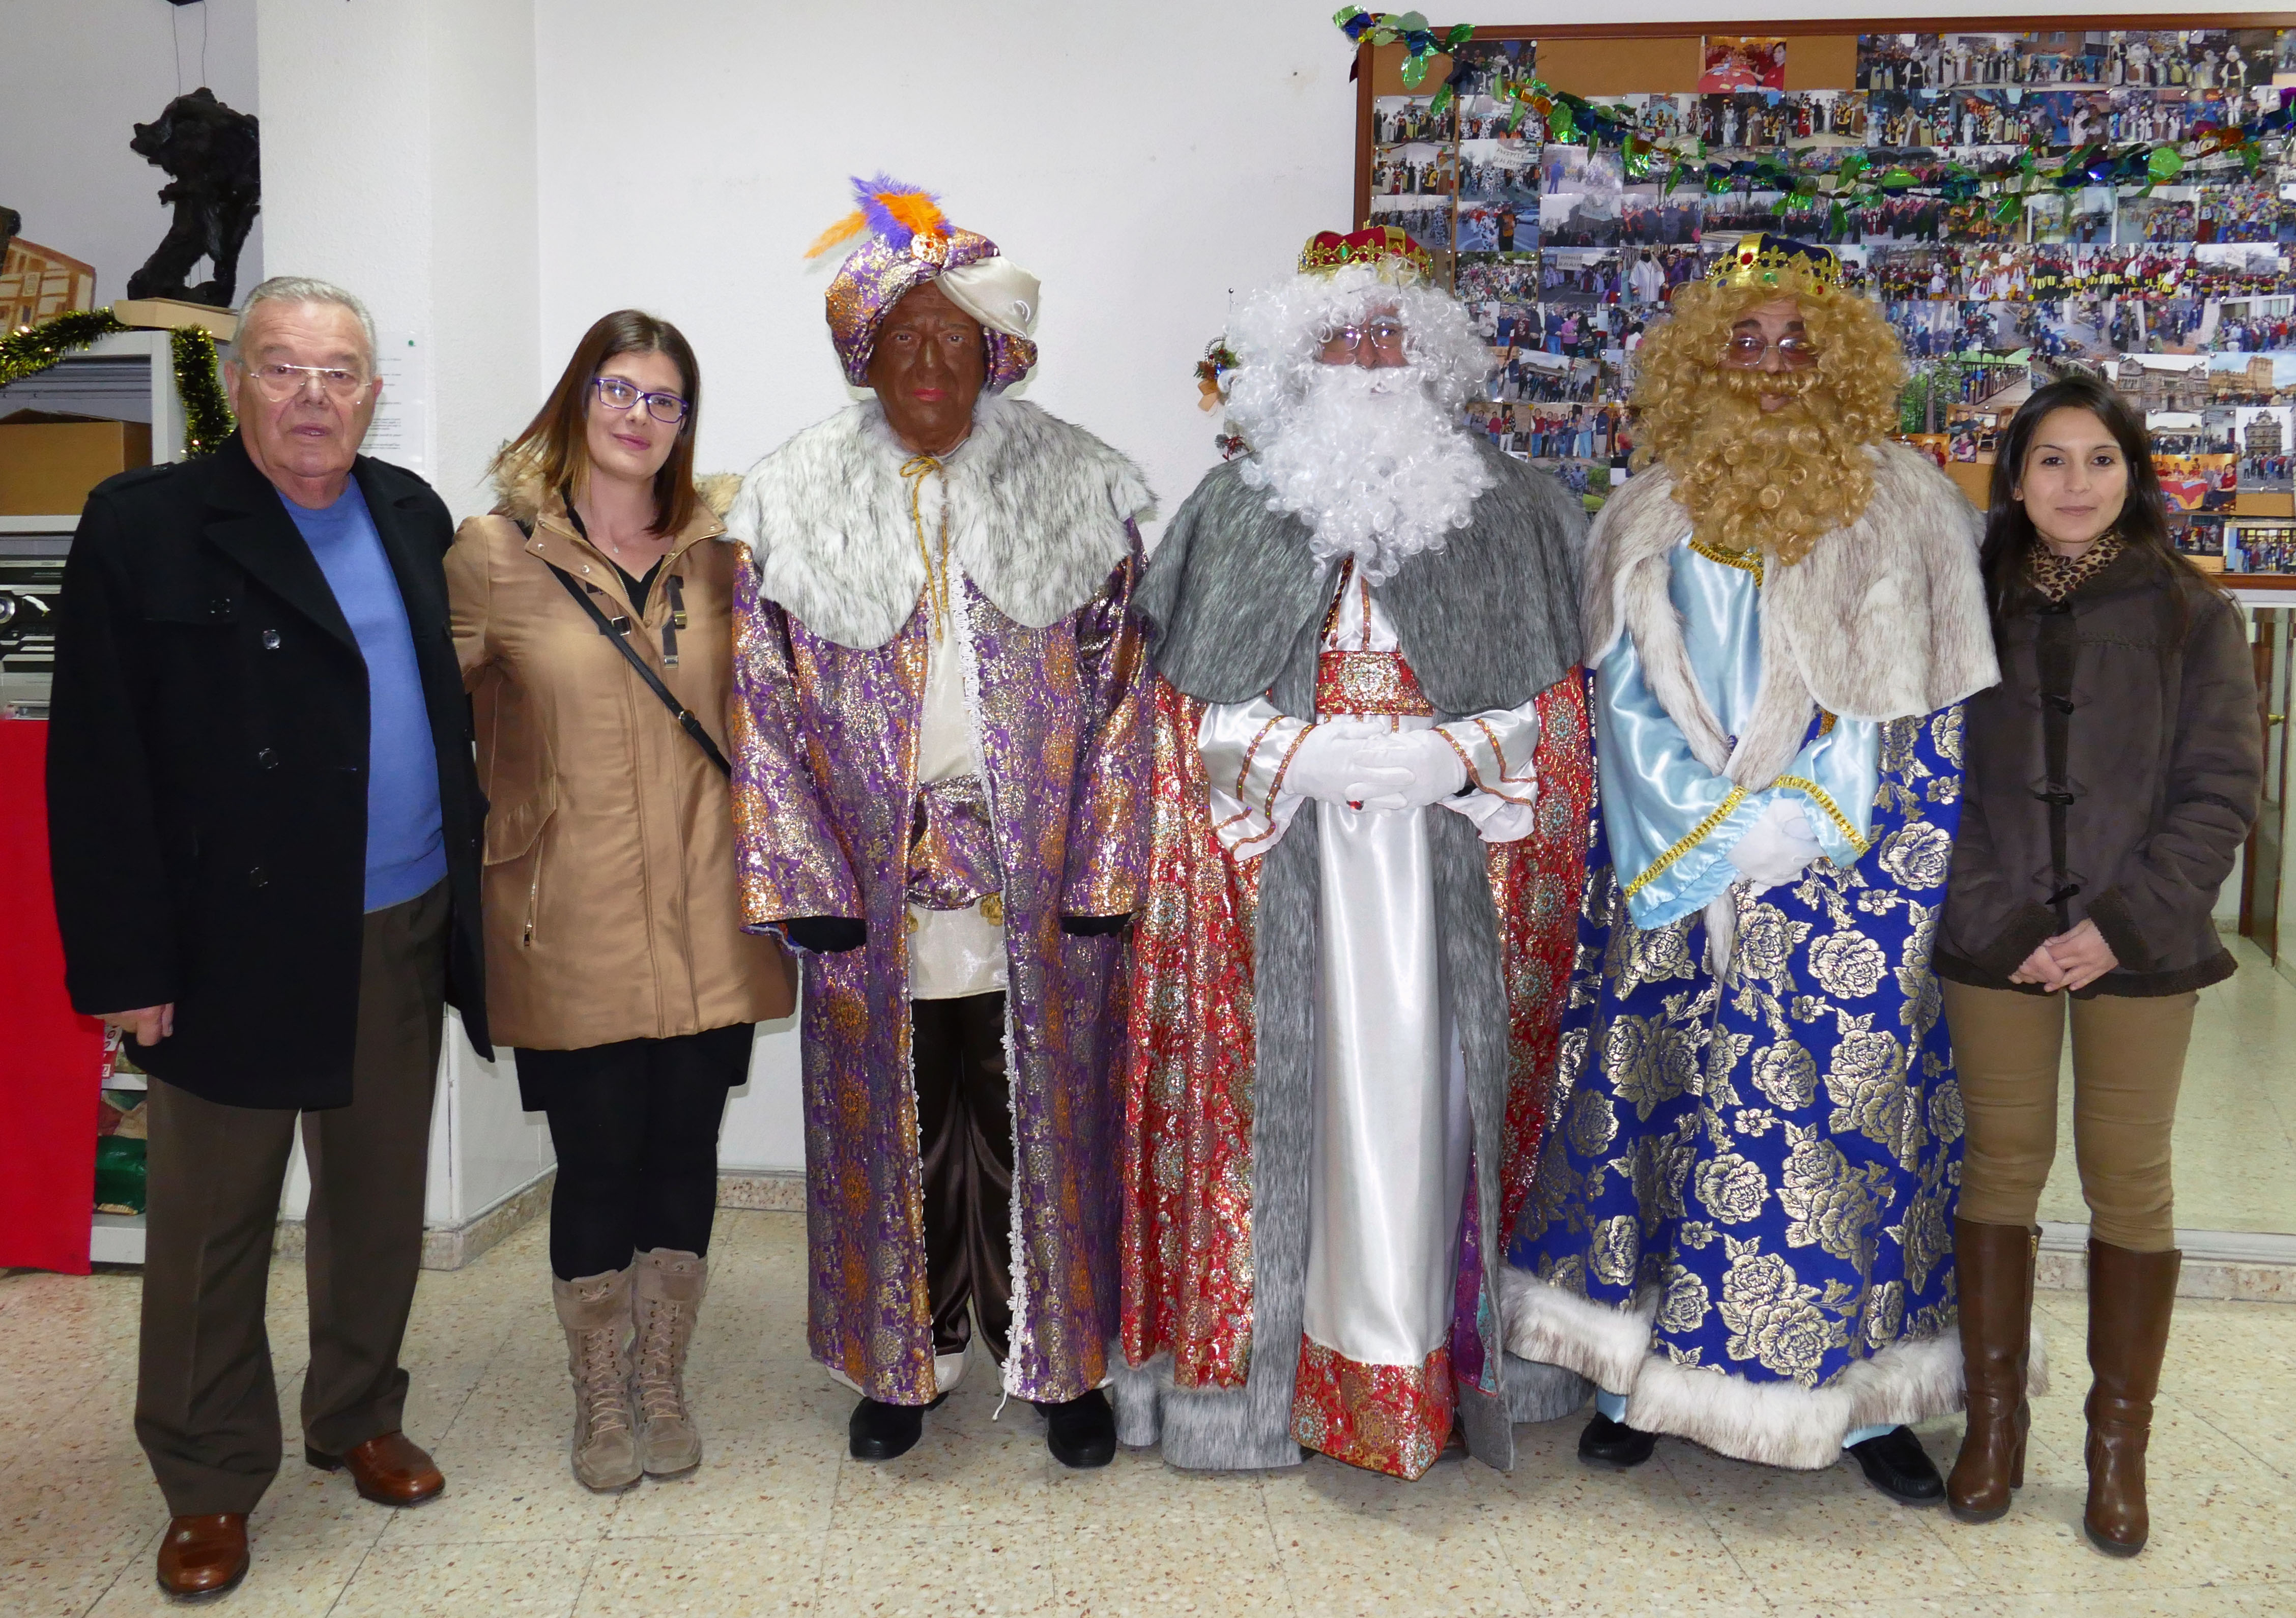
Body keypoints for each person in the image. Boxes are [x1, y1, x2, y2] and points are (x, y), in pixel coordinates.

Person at [1503, 236, 2002, 1504]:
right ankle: (1639, 1383)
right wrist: (1711, 847)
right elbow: (1616, 706)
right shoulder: (1644, 506)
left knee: (1844, 1133)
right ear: (1697, 359)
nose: (1774, 365)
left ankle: (1863, 1402)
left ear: (1840, 364)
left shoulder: (1911, 508)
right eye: (1747, 339)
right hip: (1673, 881)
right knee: (1661, 1118)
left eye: (1799, 343)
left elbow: (1928, 727)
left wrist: (1831, 850)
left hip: (1849, 890)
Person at [1112, 226, 1593, 1479]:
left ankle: (1431, 1369)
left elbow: (1567, 714)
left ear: (1432, 359)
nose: (1369, 359)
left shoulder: (1522, 507)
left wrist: (1463, 755)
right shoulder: (1230, 509)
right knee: (1289, 1112)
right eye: (1342, 337)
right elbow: (1164, 712)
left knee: (1435, 1108)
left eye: (1393, 335)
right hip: (1279, 864)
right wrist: (1287, 756)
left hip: (1449, 877)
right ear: (1295, 362)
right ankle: (1274, 1385)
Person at [46, 277, 490, 1598]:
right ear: (238, 382)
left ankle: (355, 1410)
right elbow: (99, 766)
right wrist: (128, 967)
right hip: (225, 935)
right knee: (208, 1227)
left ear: (371, 391)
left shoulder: (411, 510)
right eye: (285, 369)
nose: (313, 398)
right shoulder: (146, 524)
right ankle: (205, 1475)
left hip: (397, 916)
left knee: (373, 1202)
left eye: (339, 372)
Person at [726, 179, 1152, 1468]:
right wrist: (796, 868)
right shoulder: (793, 493)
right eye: (903, 339)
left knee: (1034, 1107)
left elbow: (1126, 685)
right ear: (866, 356)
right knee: (895, 1111)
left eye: (953, 340)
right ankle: (901, 1361)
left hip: (1040, 870)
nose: (928, 362)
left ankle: (1060, 1357)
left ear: (995, 355)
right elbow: (760, 695)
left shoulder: (1075, 484)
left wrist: (1108, 860)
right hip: (869, 872)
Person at [446, 310, 794, 1492]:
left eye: (666, 399)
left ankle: (661, 1377)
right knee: (596, 1162)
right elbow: (431, 723)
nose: (640, 417)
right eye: (619, 390)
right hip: (567, 916)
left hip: (709, 911)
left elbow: (784, 726)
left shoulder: (724, 564)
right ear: (576, 400)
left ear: (687, 424)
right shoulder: (495, 555)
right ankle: (599, 1397)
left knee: (682, 1153)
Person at [1937, 376, 2260, 1554]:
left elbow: (2222, 789)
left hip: (2143, 943)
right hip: (1994, 939)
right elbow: (1930, 784)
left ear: (2136, 474)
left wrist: (2118, 922)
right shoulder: (1961, 605)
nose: (2078, 485)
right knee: (2000, 1170)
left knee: (2131, 1180)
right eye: (2053, 462)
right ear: (2013, 479)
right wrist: (2007, 912)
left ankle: (2118, 1449)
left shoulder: (2191, 612)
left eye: (2102, 461)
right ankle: (1993, 1430)